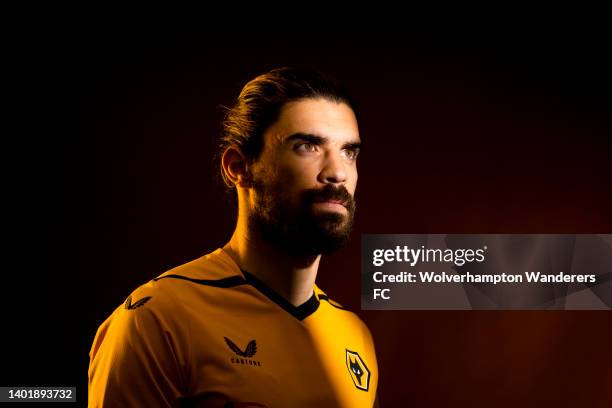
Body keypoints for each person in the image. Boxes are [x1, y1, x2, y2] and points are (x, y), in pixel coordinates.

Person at [88, 67, 379, 407]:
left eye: (349, 152)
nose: (337, 172)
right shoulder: (157, 319)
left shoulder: (355, 336)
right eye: (307, 146)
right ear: (239, 166)